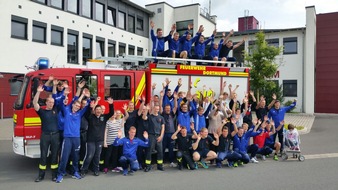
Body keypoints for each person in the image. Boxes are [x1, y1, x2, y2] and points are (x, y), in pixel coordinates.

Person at [55, 81, 90, 183]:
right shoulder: (67, 111)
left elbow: (87, 106)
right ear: (72, 105)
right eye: (76, 106)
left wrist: (87, 97)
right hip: (67, 138)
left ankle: (75, 172)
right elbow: (61, 103)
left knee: (76, 157)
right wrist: (65, 94)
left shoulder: (79, 114)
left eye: (78, 106)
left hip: (76, 138)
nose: (77, 107)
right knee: (64, 157)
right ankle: (60, 174)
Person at [80, 97, 114, 177]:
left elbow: (111, 113)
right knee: (89, 155)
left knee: (97, 156)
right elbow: (86, 114)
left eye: (100, 109)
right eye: (97, 109)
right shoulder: (90, 117)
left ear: (101, 111)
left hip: (99, 140)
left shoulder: (104, 117)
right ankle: (83, 169)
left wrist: (111, 104)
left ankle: (96, 170)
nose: (98, 111)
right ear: (94, 111)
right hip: (90, 140)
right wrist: (89, 107)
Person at [33, 85, 60, 182]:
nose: (51, 104)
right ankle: (41, 176)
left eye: (52, 102)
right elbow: (35, 103)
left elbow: (55, 95)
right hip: (45, 136)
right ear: (46, 102)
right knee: (43, 156)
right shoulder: (42, 112)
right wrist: (38, 92)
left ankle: (54, 175)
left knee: (54, 156)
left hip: (55, 136)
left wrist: (55, 86)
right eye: (50, 102)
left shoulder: (56, 109)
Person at [103, 105, 129, 173]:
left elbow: (122, 125)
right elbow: (106, 132)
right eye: (112, 114)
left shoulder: (118, 121)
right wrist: (105, 142)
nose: (113, 116)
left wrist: (124, 114)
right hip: (109, 141)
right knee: (108, 155)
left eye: (114, 114)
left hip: (116, 142)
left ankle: (114, 167)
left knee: (115, 155)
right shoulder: (107, 122)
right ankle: (105, 167)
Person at [143, 104, 165, 172]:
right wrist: (146, 109)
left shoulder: (161, 118)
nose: (157, 110)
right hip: (151, 136)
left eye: (158, 109)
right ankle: (148, 166)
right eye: (156, 109)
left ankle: (160, 165)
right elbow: (144, 117)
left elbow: (163, 127)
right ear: (153, 109)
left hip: (159, 136)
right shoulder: (150, 117)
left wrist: (161, 136)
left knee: (160, 151)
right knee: (149, 151)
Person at [159, 90, 178, 167]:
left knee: (171, 149)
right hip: (164, 134)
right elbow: (160, 106)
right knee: (162, 148)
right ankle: (161, 162)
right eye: (166, 108)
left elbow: (176, 107)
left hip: (172, 133)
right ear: (165, 109)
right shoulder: (162, 114)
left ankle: (171, 162)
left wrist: (175, 99)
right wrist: (161, 97)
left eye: (169, 108)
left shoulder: (172, 114)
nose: (168, 109)